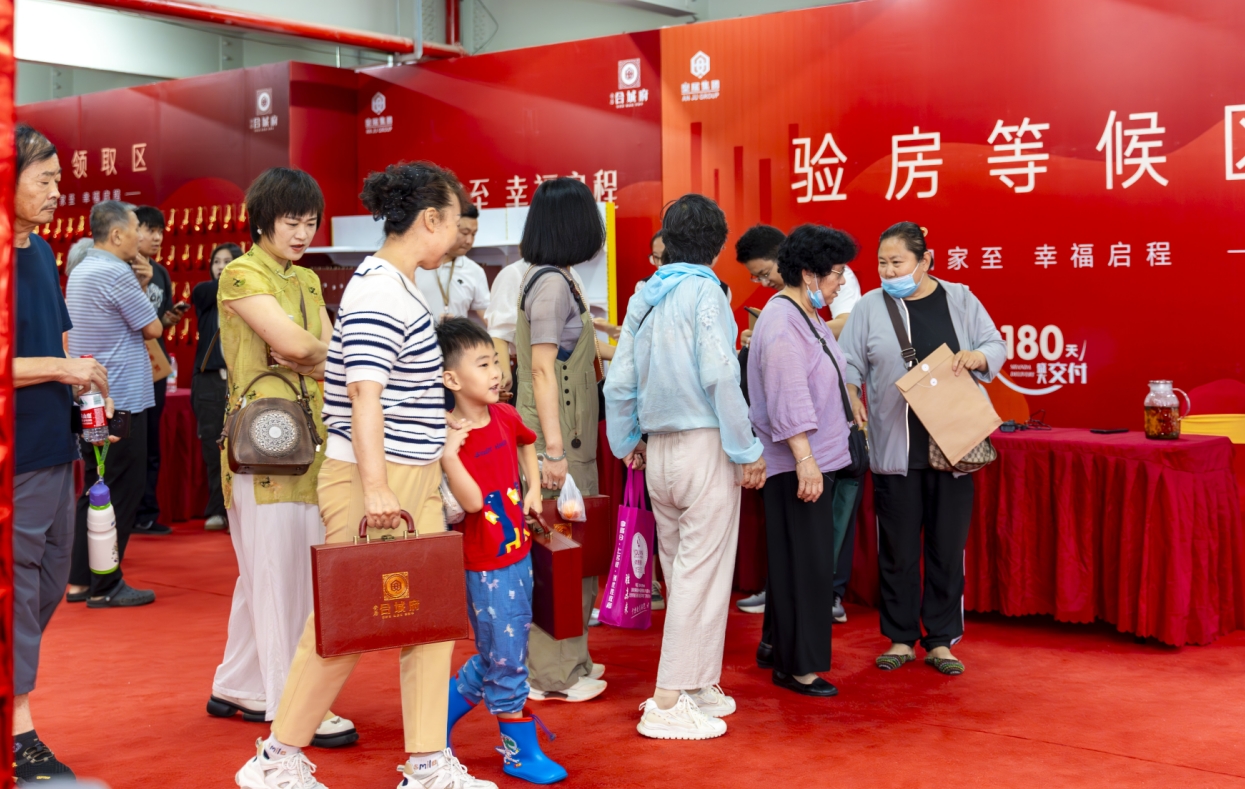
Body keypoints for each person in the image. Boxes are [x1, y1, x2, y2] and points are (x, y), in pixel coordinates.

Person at [237, 163, 494, 789]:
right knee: (347, 622)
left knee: (431, 623)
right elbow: (363, 393)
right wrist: (377, 486)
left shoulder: (399, 286)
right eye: (454, 222)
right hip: (374, 479)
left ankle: (427, 762)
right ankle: (276, 758)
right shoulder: (381, 290)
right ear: (429, 220)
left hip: (407, 474)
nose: (460, 237)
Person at [604, 193, 766, 740]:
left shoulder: (644, 296)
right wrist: (746, 449)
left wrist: (627, 440)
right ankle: (668, 699)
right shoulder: (706, 291)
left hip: (659, 450)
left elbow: (620, 381)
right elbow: (721, 375)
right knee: (703, 574)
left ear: (667, 241)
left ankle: (697, 683)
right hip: (704, 445)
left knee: (681, 573)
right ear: (717, 247)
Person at [208, 168, 355, 750]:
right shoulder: (241, 273)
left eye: (310, 222)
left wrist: (313, 355)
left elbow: (326, 352)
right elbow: (297, 345)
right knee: (278, 575)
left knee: (269, 572)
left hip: (311, 439)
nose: (302, 233)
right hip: (263, 443)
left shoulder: (308, 280)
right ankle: (291, 703)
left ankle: (238, 684)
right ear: (262, 220)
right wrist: (313, 354)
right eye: (292, 221)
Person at [840, 221, 1005, 676]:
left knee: (946, 549)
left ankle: (941, 640)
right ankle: (900, 638)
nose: (888, 271)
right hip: (897, 448)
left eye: (897, 262)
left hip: (953, 446)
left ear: (925, 260)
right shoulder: (869, 307)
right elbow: (848, 361)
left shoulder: (960, 298)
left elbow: (994, 343)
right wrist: (850, 391)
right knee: (897, 551)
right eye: (882, 263)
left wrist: (978, 357)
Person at [11, 123, 116, 783]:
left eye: (58, 179)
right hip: (14, 456)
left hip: (57, 446)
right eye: (44, 178)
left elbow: (59, 342)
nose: (57, 191)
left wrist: (86, 398)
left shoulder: (43, 251)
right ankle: (18, 731)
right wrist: (62, 367)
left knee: (50, 584)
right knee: (18, 592)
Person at [440, 318, 567, 785]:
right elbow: (473, 504)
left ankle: (438, 715)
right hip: (484, 566)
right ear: (451, 379)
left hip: (518, 554)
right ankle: (519, 752)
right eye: (482, 364)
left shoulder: (506, 415)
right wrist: (449, 454)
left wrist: (532, 488)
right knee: (507, 655)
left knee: (504, 648)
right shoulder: (450, 435)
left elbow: (526, 443)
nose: (496, 372)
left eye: (496, 361)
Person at [733, 223, 864, 621]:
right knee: (803, 570)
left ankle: (783, 642)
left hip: (817, 458)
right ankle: (797, 653)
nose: (843, 282)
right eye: (837, 273)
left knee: (805, 566)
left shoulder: (807, 313)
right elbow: (788, 398)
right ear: (809, 273)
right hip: (799, 464)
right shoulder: (784, 319)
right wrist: (806, 460)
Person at [513, 177, 609, 704]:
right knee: (560, 556)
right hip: (560, 444)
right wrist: (551, 451)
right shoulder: (550, 284)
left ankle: (573, 661)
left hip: (569, 440)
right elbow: (541, 370)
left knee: (575, 554)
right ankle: (553, 676)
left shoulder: (555, 276)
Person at [64, 201, 163, 609]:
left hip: (92, 398)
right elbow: (153, 327)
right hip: (120, 400)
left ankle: (79, 581)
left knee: (96, 485)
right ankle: (106, 584)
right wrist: (142, 283)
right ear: (117, 234)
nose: (143, 236)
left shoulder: (81, 268)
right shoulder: (116, 272)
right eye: (137, 228)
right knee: (121, 489)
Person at [132, 205, 189, 536]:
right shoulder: (121, 269)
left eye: (160, 232)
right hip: (127, 367)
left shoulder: (162, 273)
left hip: (155, 365)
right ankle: (125, 510)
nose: (156, 237)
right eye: (149, 230)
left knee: (151, 442)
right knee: (129, 442)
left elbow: (156, 323)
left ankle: (147, 512)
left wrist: (169, 319)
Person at [484, 255, 586, 402]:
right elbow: (499, 333)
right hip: (532, 372)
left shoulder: (572, 273)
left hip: (573, 374)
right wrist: (504, 373)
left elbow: (579, 337)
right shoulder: (516, 272)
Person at [192, 242, 242, 532]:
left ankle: (240, 511)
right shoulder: (204, 291)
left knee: (242, 446)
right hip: (211, 380)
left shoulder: (248, 296)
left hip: (241, 379)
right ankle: (217, 509)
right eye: (217, 262)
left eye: (228, 261)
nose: (221, 267)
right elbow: (220, 287)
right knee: (214, 448)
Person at [415, 201, 489, 324]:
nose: (469, 241)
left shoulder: (474, 271)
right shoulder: (416, 264)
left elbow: (488, 316)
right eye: (465, 233)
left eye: (473, 234)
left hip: (458, 336)